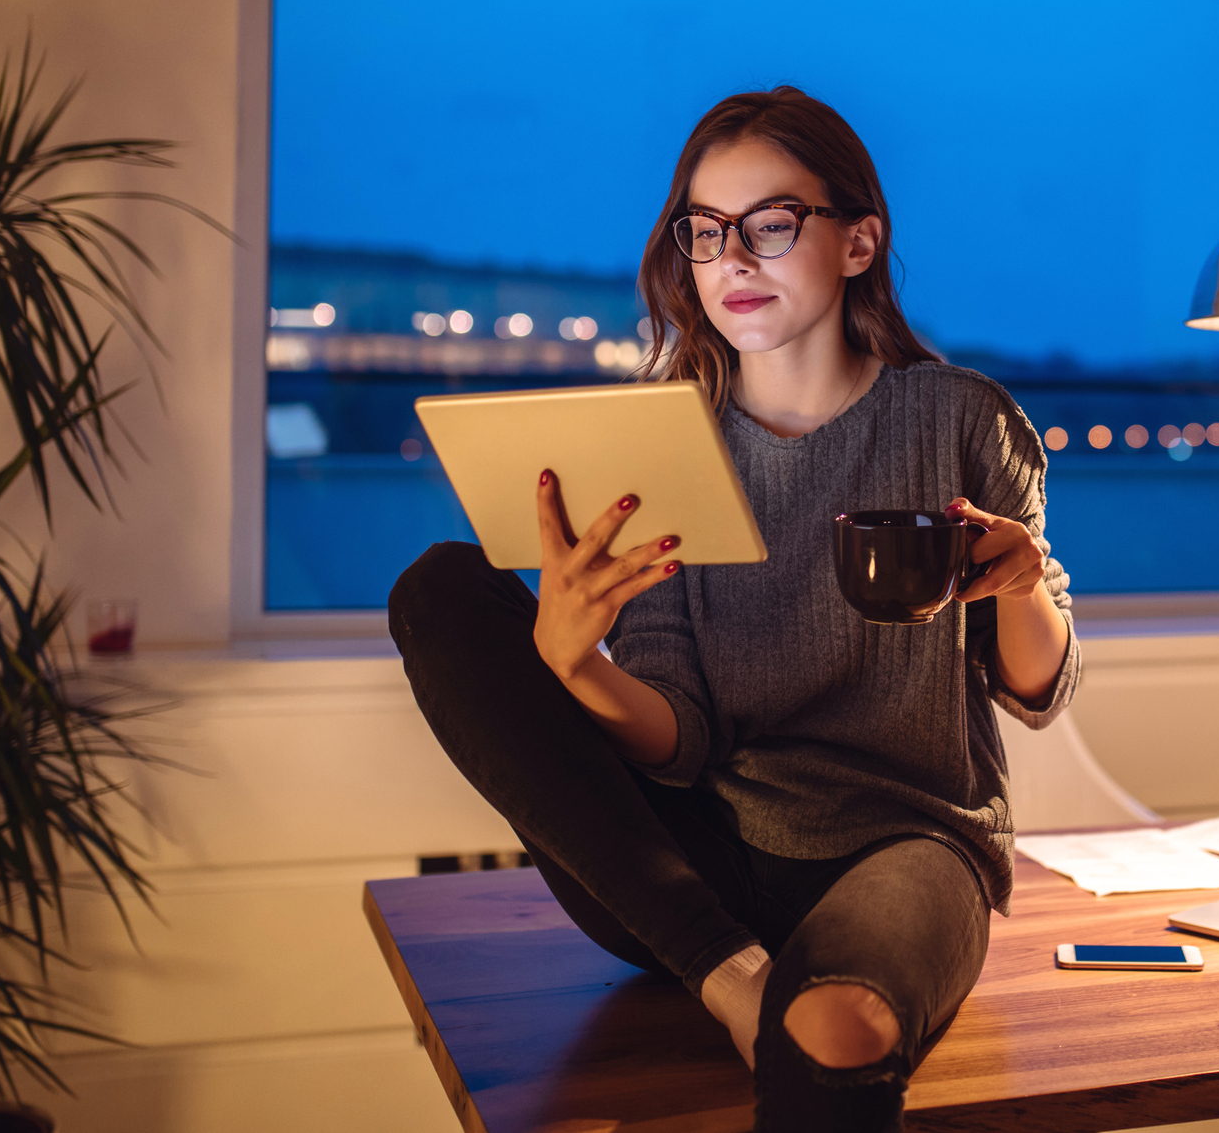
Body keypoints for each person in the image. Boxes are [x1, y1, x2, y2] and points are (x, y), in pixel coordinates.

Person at [388, 86, 1080, 1131]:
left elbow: (1035, 689)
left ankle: (760, 985)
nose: (733, 260)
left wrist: (1025, 582)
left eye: (770, 224)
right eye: (705, 233)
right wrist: (580, 667)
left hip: (907, 845)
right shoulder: (666, 440)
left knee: (838, 1027)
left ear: (857, 243)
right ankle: (726, 973)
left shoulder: (961, 418)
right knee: (439, 586)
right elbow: (675, 740)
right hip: (690, 868)